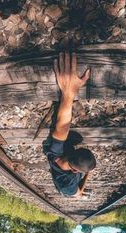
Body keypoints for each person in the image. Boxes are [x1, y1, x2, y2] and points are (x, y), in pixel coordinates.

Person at [43, 52, 96, 199]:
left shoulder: (68, 186)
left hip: (69, 193)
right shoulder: (57, 153)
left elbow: (63, 125)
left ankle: (84, 197)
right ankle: (85, 196)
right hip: (70, 172)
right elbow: (63, 127)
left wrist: (68, 93)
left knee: (79, 196)